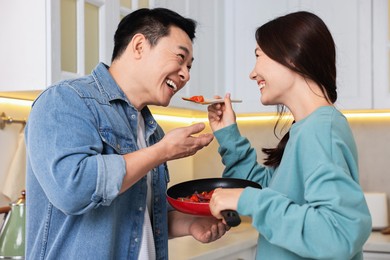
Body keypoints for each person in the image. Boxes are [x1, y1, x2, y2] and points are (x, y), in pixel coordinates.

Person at [25, 8, 229, 259]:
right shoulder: (66, 99)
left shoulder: (152, 130)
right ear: (139, 46)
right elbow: (73, 188)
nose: (186, 74)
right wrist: (161, 152)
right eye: (180, 58)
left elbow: (137, 217)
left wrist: (190, 224)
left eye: (189, 66)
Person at [207, 11, 372, 259]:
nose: (252, 73)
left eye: (258, 57)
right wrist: (228, 135)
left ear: (292, 55)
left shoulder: (319, 130)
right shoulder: (307, 128)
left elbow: (339, 233)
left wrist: (249, 200)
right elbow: (269, 190)